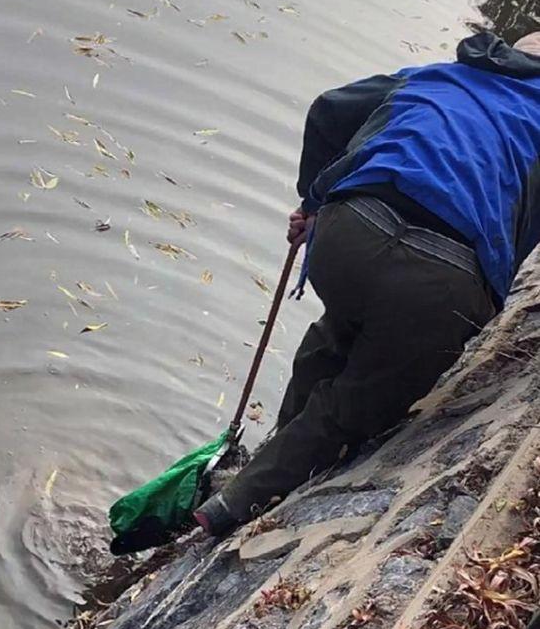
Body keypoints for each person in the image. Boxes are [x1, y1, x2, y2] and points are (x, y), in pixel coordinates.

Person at [194, 30, 540, 535]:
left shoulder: (437, 78)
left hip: (348, 233)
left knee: (339, 330)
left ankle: (269, 453)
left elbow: (328, 109)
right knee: (353, 405)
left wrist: (313, 202)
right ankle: (226, 510)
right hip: (442, 278)